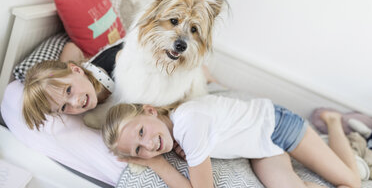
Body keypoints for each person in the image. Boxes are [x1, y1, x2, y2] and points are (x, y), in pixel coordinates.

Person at [102, 95, 361, 188]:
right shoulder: (176, 131)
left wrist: (158, 165)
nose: (148, 145)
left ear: (150, 110)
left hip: (278, 126)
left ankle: (333, 121)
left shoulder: (188, 123)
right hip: (259, 149)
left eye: (140, 133)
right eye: (138, 150)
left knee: (351, 182)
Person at [22, 40, 123, 130]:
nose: (75, 104)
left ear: (77, 70)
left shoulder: (115, 62)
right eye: (63, 107)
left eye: (68, 90)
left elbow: (71, 47)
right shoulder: (79, 83)